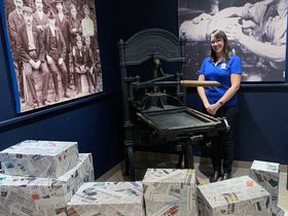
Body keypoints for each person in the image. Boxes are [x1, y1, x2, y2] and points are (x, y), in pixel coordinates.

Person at [197, 30, 242, 182]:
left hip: (228, 107)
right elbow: (199, 85)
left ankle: (227, 171)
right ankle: (216, 170)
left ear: (224, 41)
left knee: (227, 139)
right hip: (209, 108)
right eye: (212, 41)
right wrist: (207, 105)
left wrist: (218, 104)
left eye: (218, 41)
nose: (215, 44)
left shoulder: (233, 60)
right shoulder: (206, 61)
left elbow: (235, 86)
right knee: (214, 140)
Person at [17, 6, 49, 108]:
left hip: (38, 56)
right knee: (28, 74)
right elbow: (19, 48)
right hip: (27, 58)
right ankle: (35, 101)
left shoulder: (36, 29)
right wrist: (30, 61)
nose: (28, 18)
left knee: (46, 72)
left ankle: (44, 98)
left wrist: (39, 60)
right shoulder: (20, 30)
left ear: (32, 17)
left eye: (30, 16)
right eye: (26, 16)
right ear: (23, 16)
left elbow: (42, 46)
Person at [43, 9, 69, 101]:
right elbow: (42, 45)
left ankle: (65, 91)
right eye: (50, 19)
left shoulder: (58, 30)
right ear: (48, 20)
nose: (52, 21)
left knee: (65, 70)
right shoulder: (46, 30)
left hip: (58, 57)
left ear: (55, 20)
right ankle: (57, 93)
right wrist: (47, 56)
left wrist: (62, 57)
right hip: (50, 57)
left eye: (53, 19)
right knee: (54, 71)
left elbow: (64, 45)